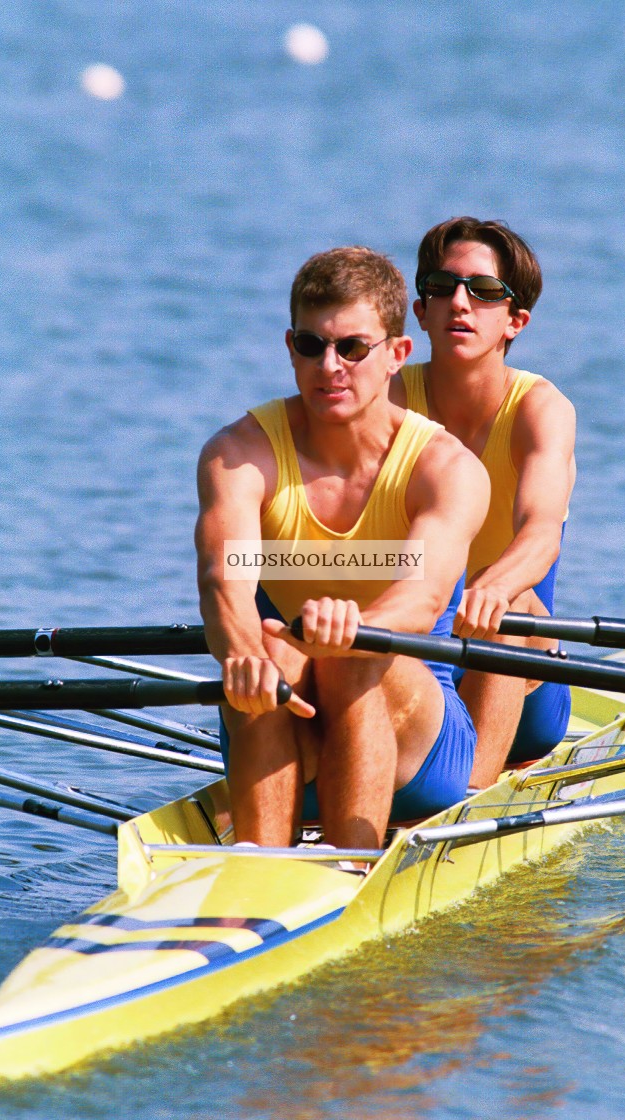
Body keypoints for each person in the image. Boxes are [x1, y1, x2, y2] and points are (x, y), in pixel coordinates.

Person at [195, 246, 490, 850]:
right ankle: (260, 876)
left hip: (420, 744)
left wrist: (357, 629)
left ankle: (348, 867)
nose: (330, 366)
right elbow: (224, 578)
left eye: (352, 348)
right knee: (269, 653)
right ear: (291, 348)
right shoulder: (241, 453)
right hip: (281, 702)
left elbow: (424, 595)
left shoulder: (443, 468)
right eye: (311, 346)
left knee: (350, 656)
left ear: (396, 357)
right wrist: (244, 656)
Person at [390, 217, 576, 787]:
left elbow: (541, 533)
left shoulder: (540, 411)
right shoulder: (387, 401)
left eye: (484, 290)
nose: (459, 303)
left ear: (514, 321)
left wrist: (490, 590)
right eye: (441, 287)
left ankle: (470, 798)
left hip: (518, 671)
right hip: (417, 640)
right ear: (420, 312)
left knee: (513, 599)